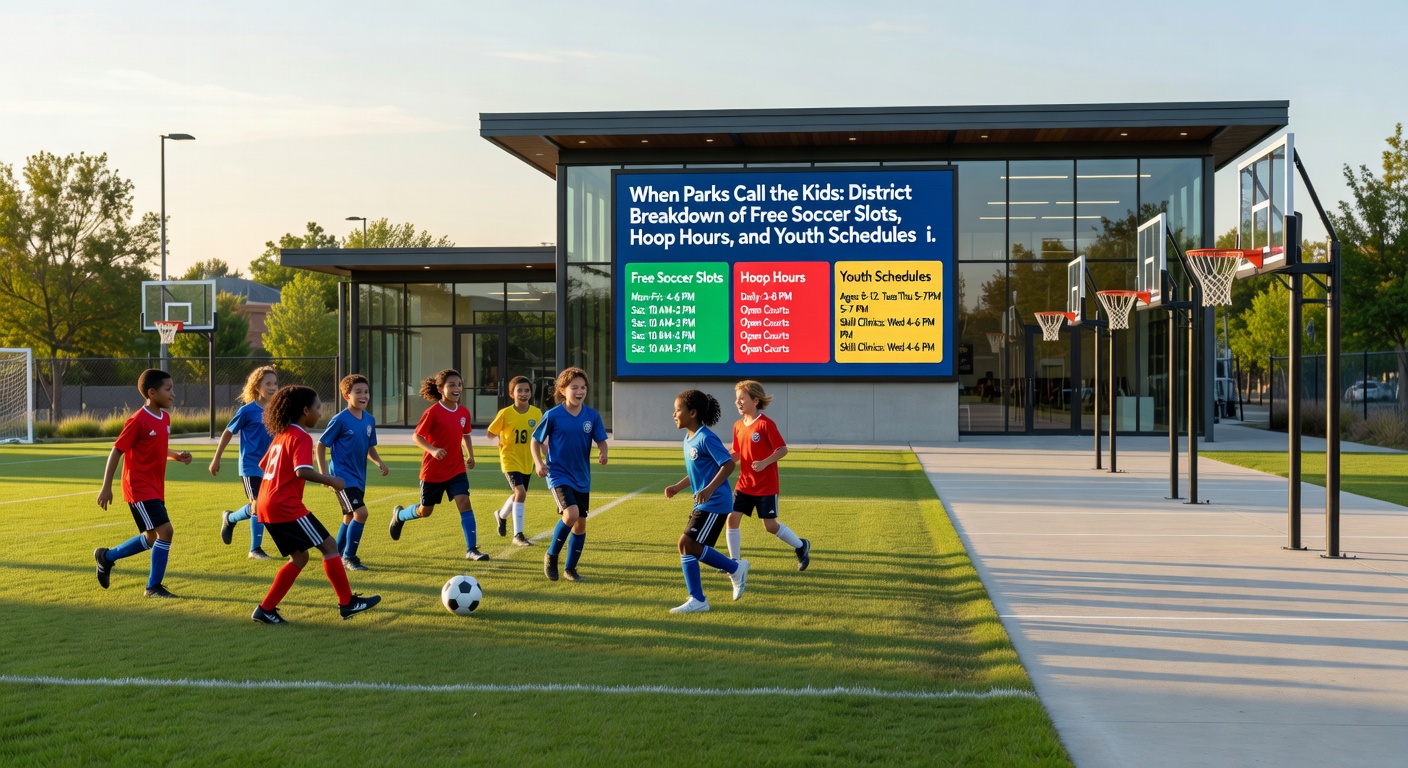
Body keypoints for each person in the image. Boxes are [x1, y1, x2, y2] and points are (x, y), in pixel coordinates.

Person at [250, 385, 379, 624]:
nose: (321, 413)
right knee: (330, 548)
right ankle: (347, 603)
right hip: (284, 506)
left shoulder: (282, 434)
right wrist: (331, 479)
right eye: (318, 408)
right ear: (305, 410)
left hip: (265, 503)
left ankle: (265, 609)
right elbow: (301, 471)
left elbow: (263, 465)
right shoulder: (299, 436)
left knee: (299, 558)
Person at [94, 368, 193, 597]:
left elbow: (156, 446)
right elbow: (117, 450)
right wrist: (106, 487)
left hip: (156, 487)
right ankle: (153, 587)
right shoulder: (137, 420)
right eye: (168, 389)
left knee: (151, 537)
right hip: (138, 487)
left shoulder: (165, 418)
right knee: (166, 531)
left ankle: (106, 557)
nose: (173, 394)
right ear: (152, 392)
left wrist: (176, 455)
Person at [664, 389, 749, 613]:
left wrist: (710, 489)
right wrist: (677, 487)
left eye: (678, 409)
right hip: (703, 502)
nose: (674, 414)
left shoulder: (706, 437)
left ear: (692, 412)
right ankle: (700, 598)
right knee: (689, 546)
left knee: (687, 544)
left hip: (715, 502)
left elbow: (728, 464)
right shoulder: (689, 438)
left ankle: (732, 571)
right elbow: (697, 473)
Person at [390, 369, 488, 561]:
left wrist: (470, 455)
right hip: (433, 472)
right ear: (441, 389)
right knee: (425, 511)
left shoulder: (463, 412)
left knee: (464, 502)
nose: (457, 388)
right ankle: (400, 515)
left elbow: (465, 434)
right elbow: (416, 436)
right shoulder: (433, 412)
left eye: (459, 384)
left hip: (456, 468)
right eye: (451, 385)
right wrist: (433, 450)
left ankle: (472, 549)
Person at [531, 367, 607, 582]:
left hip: (582, 476)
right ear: (563, 390)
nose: (580, 391)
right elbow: (535, 441)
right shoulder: (553, 415)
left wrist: (603, 451)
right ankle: (552, 555)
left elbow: (601, 439)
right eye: (574, 387)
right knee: (571, 514)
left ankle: (570, 569)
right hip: (557, 473)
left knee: (580, 524)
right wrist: (538, 463)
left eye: (583, 387)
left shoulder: (591, 415)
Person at [726, 380, 810, 571]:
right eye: (736, 399)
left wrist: (764, 462)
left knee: (770, 526)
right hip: (744, 484)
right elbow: (737, 452)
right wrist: (722, 459)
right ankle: (734, 563)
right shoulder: (738, 426)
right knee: (732, 518)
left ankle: (801, 546)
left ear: (755, 400)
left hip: (766, 486)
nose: (737, 402)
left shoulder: (765, 424)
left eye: (742, 398)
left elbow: (782, 449)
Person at [318, 374, 389, 572]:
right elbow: (321, 445)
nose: (363, 395)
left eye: (366, 392)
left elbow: (369, 447)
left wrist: (379, 462)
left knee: (349, 516)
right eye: (358, 392)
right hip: (342, 478)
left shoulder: (369, 420)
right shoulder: (340, 419)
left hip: (359, 478)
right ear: (346, 395)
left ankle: (335, 555)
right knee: (361, 512)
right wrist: (325, 475)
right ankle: (349, 557)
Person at [212, 365, 279, 559]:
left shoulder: (277, 410)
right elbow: (227, 432)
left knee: (266, 505)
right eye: (268, 383)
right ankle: (255, 549)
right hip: (250, 466)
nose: (273, 387)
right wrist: (217, 458)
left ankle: (231, 518)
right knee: (258, 505)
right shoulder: (247, 410)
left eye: (275, 383)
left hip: (271, 467)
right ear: (257, 386)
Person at [487, 375, 542, 547]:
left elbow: (540, 438)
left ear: (531, 393)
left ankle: (501, 515)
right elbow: (490, 432)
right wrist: (500, 439)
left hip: (527, 460)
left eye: (527, 390)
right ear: (512, 393)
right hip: (509, 459)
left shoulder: (536, 413)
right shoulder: (505, 413)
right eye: (520, 390)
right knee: (521, 493)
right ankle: (518, 535)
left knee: (519, 493)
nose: (524, 393)